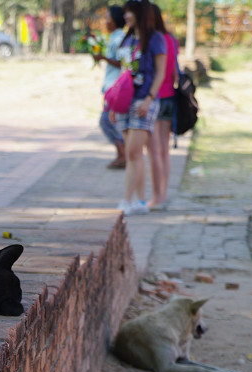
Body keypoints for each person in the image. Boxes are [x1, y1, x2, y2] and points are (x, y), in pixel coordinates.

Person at [112, 0, 166, 216]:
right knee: (135, 154)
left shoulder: (155, 39)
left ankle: (126, 200)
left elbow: (161, 72)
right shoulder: (127, 40)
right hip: (125, 100)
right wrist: (113, 103)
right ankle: (141, 201)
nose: (126, 17)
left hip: (145, 100)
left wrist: (149, 98)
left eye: (129, 12)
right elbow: (123, 73)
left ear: (140, 14)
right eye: (125, 13)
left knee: (133, 151)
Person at [146, 4, 179, 210]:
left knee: (154, 152)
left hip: (155, 98)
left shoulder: (152, 41)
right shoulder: (172, 40)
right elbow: (175, 73)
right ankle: (163, 194)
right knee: (164, 151)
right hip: (170, 99)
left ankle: (156, 197)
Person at [93, 6, 127, 169]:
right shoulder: (113, 37)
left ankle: (123, 153)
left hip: (115, 87)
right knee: (109, 120)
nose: (105, 21)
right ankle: (121, 154)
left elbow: (122, 62)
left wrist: (103, 57)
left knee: (107, 120)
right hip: (110, 86)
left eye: (107, 18)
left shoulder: (120, 37)